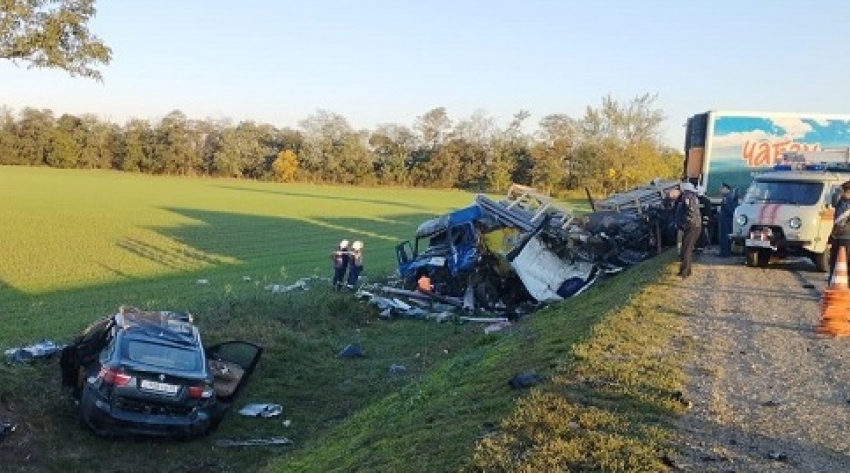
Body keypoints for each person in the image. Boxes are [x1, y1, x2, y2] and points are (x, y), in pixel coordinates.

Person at [676, 182, 702, 278]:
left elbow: (689, 210)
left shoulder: (687, 197)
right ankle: (687, 270)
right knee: (688, 248)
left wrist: (684, 222)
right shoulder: (693, 197)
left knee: (686, 248)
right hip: (695, 225)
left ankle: (685, 272)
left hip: (691, 225)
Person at [829, 181, 850, 280]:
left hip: (843, 238)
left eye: (842, 192)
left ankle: (834, 285)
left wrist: (832, 235)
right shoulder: (842, 202)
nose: (839, 194)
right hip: (844, 237)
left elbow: (840, 222)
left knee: (837, 264)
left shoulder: (846, 204)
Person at [718, 183, 737, 257]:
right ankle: (725, 252)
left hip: (726, 220)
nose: (720, 189)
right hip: (727, 219)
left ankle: (724, 253)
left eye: (722, 188)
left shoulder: (727, 198)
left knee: (724, 237)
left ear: (727, 189)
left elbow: (730, 210)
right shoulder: (728, 197)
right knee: (726, 236)